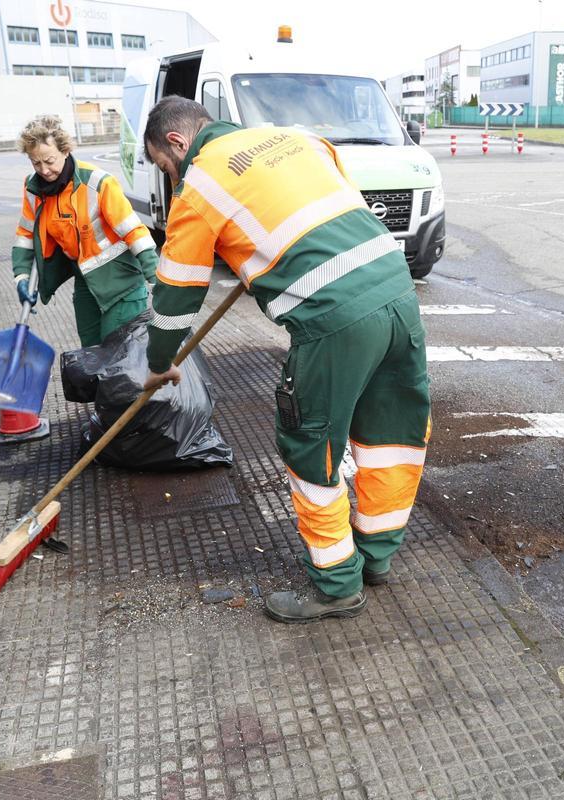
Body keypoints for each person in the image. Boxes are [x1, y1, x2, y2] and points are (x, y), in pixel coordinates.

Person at [141, 96, 431, 624]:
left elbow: (176, 293)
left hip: (335, 320)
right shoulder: (295, 137)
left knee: (311, 445)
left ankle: (337, 585)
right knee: (391, 435)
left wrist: (162, 360)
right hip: (397, 292)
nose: (170, 176)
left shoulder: (201, 184)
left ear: (178, 143)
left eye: (165, 165)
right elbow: (328, 209)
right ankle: (376, 557)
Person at [12, 115, 159, 347]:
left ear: (65, 150)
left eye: (49, 161)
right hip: (87, 280)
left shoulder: (98, 183)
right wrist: (21, 277)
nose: (44, 170)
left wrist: (155, 279)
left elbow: (134, 231)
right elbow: (25, 236)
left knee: (118, 355)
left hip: (121, 283)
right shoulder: (33, 189)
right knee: (90, 351)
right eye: (35, 163)